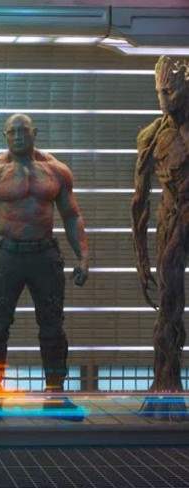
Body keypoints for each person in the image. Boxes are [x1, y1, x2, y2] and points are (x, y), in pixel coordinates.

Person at [0, 114, 89, 421]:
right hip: (8, 255)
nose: (18, 136)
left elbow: (72, 216)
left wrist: (83, 256)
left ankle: (55, 396)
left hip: (45, 255)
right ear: (5, 135)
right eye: (12, 132)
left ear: (34, 133)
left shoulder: (56, 171)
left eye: (23, 130)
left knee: (53, 327)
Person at [132, 56, 188, 420]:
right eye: (159, 92)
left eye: (170, 91)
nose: (164, 99)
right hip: (172, 219)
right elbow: (140, 200)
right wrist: (141, 258)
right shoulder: (151, 136)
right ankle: (165, 387)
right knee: (168, 305)